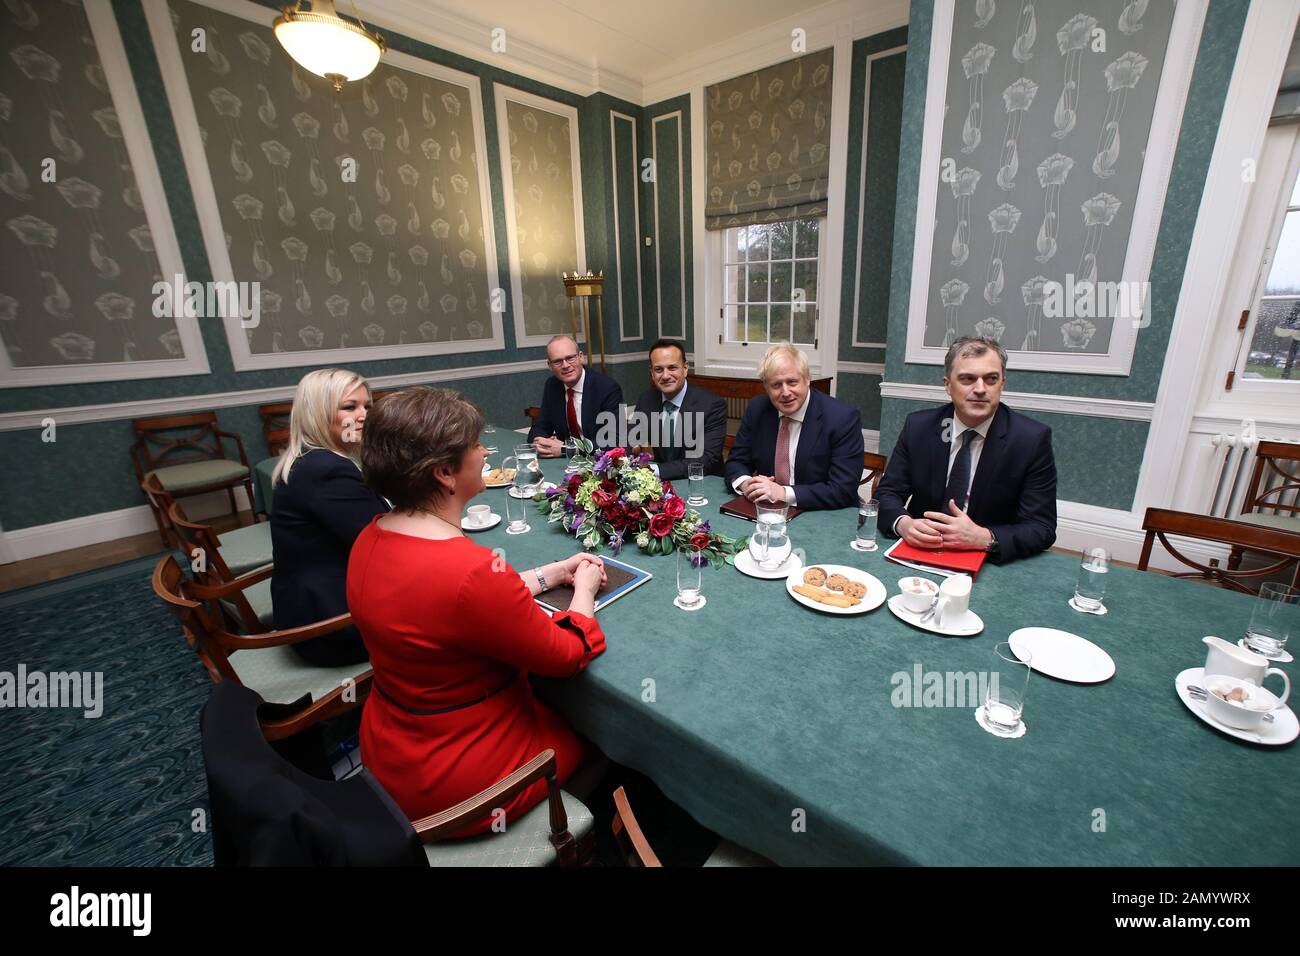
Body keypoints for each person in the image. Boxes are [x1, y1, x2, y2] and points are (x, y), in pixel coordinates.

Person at [348, 386, 608, 832]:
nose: (485, 450)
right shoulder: (468, 572)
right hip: (465, 779)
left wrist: (551, 573)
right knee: (604, 733)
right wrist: (583, 587)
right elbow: (565, 656)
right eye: (474, 445)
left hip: (390, 751)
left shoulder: (370, 535)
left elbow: (458, 607)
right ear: (446, 473)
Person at [876, 336, 1057, 563]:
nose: (980, 389)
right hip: (917, 552)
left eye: (991, 379)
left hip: (986, 560)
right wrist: (904, 524)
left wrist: (985, 537)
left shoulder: (1030, 439)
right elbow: (887, 494)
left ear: (1002, 384)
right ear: (947, 385)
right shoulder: (919, 427)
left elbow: (1041, 527)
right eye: (967, 379)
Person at [270, 368, 389, 666]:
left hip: (306, 607)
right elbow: (388, 547)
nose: (364, 415)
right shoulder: (326, 471)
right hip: (333, 629)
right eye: (350, 407)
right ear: (317, 413)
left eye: (367, 407)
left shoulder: (310, 458)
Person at [723, 342, 863, 510]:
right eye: (776, 385)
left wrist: (783, 493)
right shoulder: (757, 409)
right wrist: (747, 485)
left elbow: (843, 490)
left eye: (792, 382)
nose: (786, 392)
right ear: (766, 387)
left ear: (807, 379)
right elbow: (736, 462)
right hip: (767, 511)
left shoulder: (842, 418)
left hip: (823, 514)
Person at [632, 338, 727, 479]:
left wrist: (653, 470)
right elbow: (632, 440)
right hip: (662, 485)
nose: (665, 376)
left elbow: (706, 460)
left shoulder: (712, 405)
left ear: (685, 368)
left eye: (672, 368)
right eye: (658, 369)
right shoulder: (647, 400)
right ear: (652, 373)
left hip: (703, 483)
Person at [527, 334, 624, 456]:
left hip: (598, 463)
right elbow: (540, 427)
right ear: (549, 365)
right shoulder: (552, 385)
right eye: (557, 361)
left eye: (570, 358)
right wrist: (540, 442)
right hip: (564, 464)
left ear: (581, 357)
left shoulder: (607, 388)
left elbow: (615, 440)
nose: (566, 365)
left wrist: (566, 449)